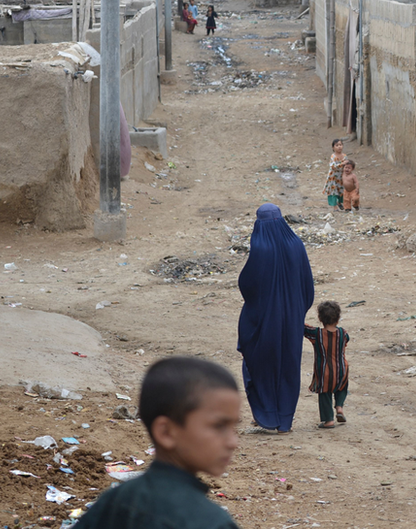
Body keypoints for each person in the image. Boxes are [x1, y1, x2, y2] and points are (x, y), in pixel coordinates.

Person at [75, 357, 240, 529]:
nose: (233, 442)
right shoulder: (210, 522)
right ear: (166, 432)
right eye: (219, 426)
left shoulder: (113, 502)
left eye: (234, 427)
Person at [237, 203, 315, 434]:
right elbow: (307, 285)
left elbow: (248, 284)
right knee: (288, 365)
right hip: (291, 318)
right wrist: (298, 310)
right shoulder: (296, 245)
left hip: (264, 318)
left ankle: (266, 414)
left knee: (259, 362)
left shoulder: (260, 247)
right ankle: (285, 422)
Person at [304, 301, 350, 429]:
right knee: (342, 387)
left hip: (324, 371)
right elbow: (347, 340)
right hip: (341, 369)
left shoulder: (316, 334)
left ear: (320, 318)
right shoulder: (343, 333)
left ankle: (328, 420)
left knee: (325, 393)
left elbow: (303, 328)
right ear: (338, 318)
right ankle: (339, 406)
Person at [323, 139, 347, 210]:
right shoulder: (333, 156)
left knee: (341, 190)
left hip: (341, 177)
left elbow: (347, 166)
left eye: (340, 145)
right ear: (333, 147)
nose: (339, 147)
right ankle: (335, 206)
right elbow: (333, 166)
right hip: (333, 177)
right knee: (334, 191)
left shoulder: (345, 156)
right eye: (337, 145)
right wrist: (342, 164)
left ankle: (340, 202)